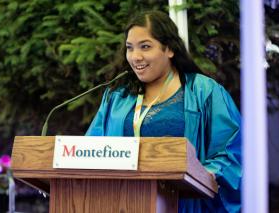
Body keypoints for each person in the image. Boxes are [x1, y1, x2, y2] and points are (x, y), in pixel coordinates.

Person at [86, 10, 241, 213]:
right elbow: (90, 149)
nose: (135, 57)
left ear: (169, 49)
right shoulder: (117, 97)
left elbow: (232, 151)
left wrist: (205, 174)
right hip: (124, 204)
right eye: (130, 48)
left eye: (145, 47)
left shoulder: (204, 92)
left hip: (184, 205)